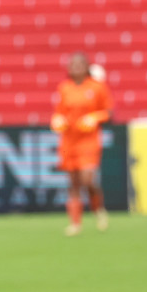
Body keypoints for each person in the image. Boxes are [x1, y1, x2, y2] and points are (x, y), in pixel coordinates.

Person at [50, 52, 114, 236]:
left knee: (87, 179)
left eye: (79, 64)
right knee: (73, 182)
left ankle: (98, 209)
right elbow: (59, 111)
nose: (75, 67)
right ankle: (75, 223)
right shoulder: (64, 88)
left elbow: (108, 111)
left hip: (89, 140)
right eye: (73, 64)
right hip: (69, 140)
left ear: (87, 67)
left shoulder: (97, 87)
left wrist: (95, 117)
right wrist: (57, 120)